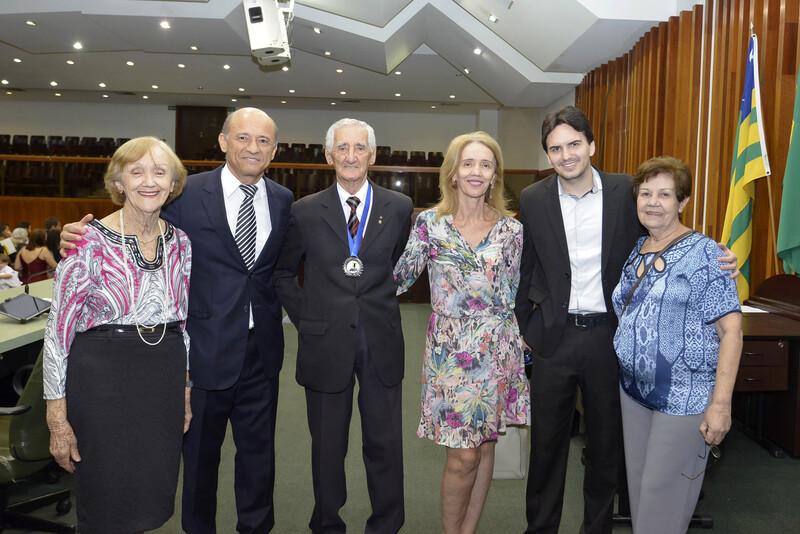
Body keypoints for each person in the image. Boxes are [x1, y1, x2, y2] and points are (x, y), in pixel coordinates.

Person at [62, 107, 293, 533]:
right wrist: (78, 235)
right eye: (243, 137)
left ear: (274, 150)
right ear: (223, 142)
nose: (253, 147)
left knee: (260, 458)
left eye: (263, 141)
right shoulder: (183, 194)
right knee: (200, 460)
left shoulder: (283, 199)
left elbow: (277, 271)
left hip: (261, 352)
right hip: (202, 353)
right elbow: (138, 224)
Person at [515, 106, 738, 534]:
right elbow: (527, 266)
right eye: (555, 148)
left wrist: (723, 257)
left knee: (605, 447)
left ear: (592, 145)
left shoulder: (625, 192)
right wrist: (525, 324)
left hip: (609, 338)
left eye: (574, 144)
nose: (566, 155)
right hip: (552, 339)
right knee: (545, 446)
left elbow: (667, 231)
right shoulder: (533, 198)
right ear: (547, 154)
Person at [43, 136, 192, 534]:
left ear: (173, 184)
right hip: (102, 383)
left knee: (150, 493)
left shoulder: (181, 243)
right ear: (118, 182)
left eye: (160, 172)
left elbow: (184, 325)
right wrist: (57, 417)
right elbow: (57, 334)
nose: (149, 181)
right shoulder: (86, 241)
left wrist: (185, 390)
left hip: (163, 380)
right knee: (106, 496)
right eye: (136, 172)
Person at [274, 118, 413, 534]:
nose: (351, 156)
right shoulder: (304, 211)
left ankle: (386, 524)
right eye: (342, 148)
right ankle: (327, 524)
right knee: (327, 446)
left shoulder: (399, 207)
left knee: (385, 443)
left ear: (373, 154)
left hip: (380, 339)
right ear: (329, 155)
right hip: (324, 343)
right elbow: (283, 272)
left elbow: (399, 265)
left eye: (359, 148)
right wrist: (308, 317)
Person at [393, 131, 529, 533]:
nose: (476, 172)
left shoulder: (511, 230)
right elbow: (399, 279)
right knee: (462, 457)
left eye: (485, 165)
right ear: (453, 172)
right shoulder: (430, 225)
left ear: (495, 175)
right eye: (468, 163)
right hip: (451, 354)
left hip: (498, 347)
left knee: (485, 445)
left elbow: (516, 290)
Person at [612, 156, 742, 533]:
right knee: (641, 496)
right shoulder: (638, 248)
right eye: (646, 193)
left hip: (685, 398)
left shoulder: (707, 254)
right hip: (633, 393)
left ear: (683, 202)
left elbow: (731, 332)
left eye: (665, 194)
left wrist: (721, 406)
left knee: (662, 499)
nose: (653, 202)